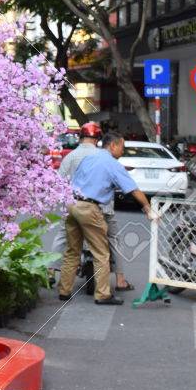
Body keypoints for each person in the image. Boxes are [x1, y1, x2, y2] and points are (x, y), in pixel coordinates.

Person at [57, 133, 155, 305]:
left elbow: (75, 180)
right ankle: (102, 294)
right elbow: (133, 189)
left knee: (72, 251)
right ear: (113, 146)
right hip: (89, 208)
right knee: (101, 253)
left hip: (71, 204)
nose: (122, 151)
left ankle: (64, 291)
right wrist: (148, 209)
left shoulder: (89, 158)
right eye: (122, 148)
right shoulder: (112, 164)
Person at [58, 122, 133, 292]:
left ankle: (55, 278)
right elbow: (123, 184)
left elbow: (59, 180)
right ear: (98, 139)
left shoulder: (70, 156)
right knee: (110, 243)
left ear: (80, 137)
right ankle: (118, 281)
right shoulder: (102, 156)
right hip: (100, 208)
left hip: (73, 205)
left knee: (67, 244)